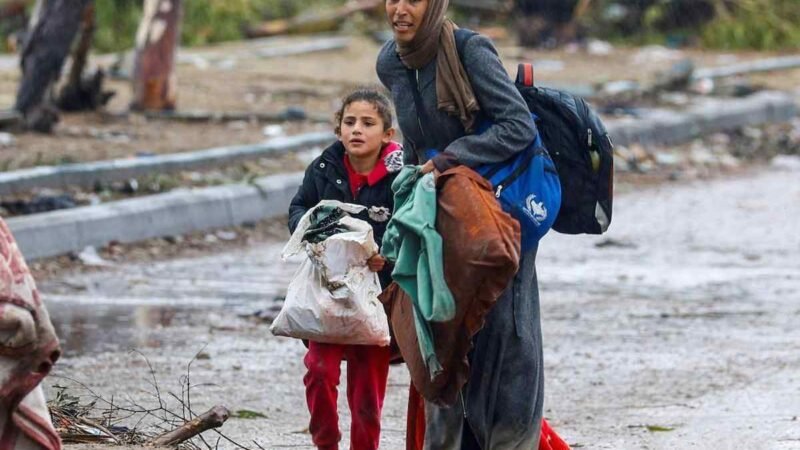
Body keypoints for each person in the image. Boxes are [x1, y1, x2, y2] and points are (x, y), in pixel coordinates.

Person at [377, 0, 545, 449]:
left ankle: (512, 440)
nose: (399, 8)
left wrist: (451, 159)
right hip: (438, 223)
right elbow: (414, 145)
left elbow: (518, 127)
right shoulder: (391, 62)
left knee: (506, 338)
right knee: (442, 335)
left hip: (494, 218)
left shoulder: (471, 51)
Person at [287, 87, 404, 450]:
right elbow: (298, 209)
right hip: (329, 292)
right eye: (349, 121)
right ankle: (326, 442)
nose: (357, 129)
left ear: (387, 135)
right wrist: (312, 234)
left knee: (367, 393)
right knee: (318, 370)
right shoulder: (323, 168)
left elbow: (412, 225)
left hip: (377, 298)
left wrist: (388, 254)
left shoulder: (401, 177)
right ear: (338, 129)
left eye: (368, 123)